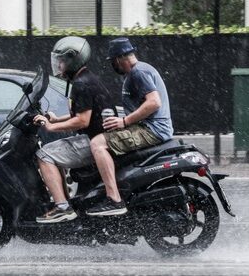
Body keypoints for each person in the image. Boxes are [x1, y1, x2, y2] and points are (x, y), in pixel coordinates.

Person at [86, 37, 174, 217]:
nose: (112, 65)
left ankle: (114, 199)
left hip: (152, 129)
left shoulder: (137, 73)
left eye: (112, 61)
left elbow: (154, 103)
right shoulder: (141, 70)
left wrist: (124, 122)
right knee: (106, 138)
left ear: (118, 59)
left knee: (97, 144)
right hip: (150, 126)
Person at [33, 36, 114, 224]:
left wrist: (52, 127)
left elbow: (83, 121)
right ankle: (65, 202)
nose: (58, 65)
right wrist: (56, 118)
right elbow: (85, 114)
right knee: (53, 153)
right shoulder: (85, 78)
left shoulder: (81, 84)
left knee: (44, 155)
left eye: (61, 61)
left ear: (72, 60)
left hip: (94, 140)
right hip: (98, 137)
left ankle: (62, 207)